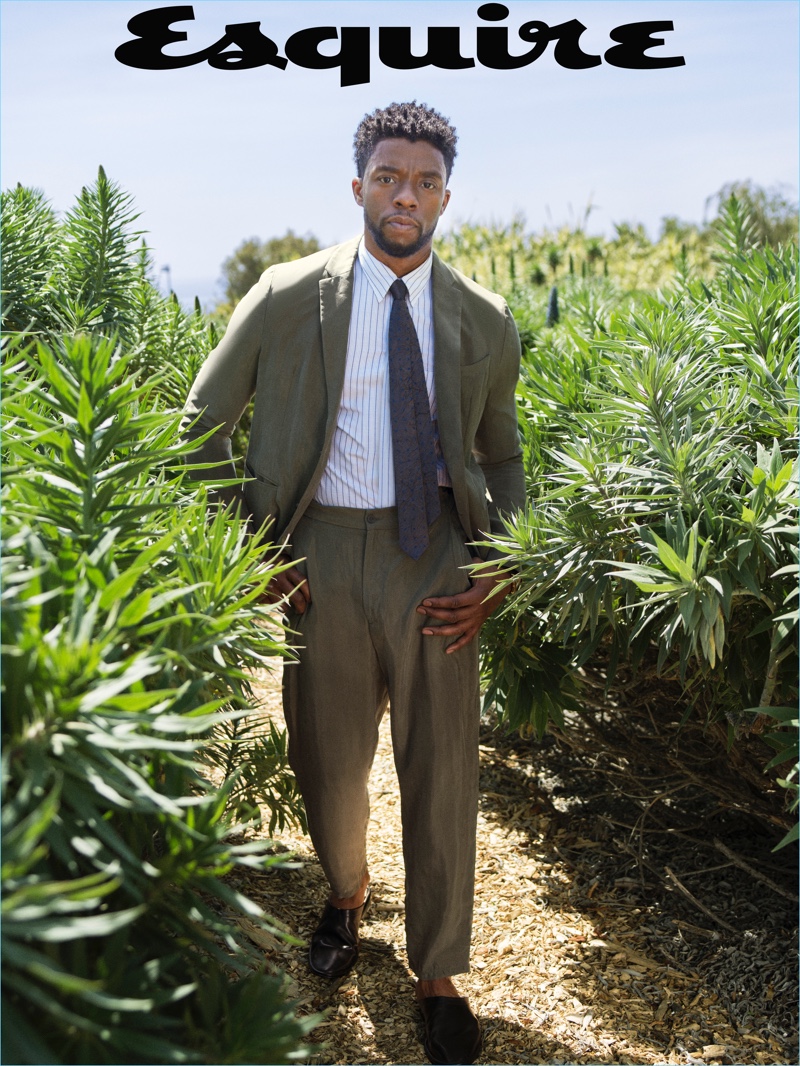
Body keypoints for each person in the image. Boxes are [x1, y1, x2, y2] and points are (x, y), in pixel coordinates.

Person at [184, 101, 525, 1065]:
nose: (404, 195)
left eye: (423, 182)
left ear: (446, 196)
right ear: (358, 187)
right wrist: (249, 553)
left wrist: (497, 568)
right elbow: (196, 428)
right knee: (330, 765)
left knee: (442, 769)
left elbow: (502, 461)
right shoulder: (288, 296)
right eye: (388, 178)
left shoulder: (487, 322)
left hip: (435, 564)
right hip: (318, 558)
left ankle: (439, 974)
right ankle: (344, 897)